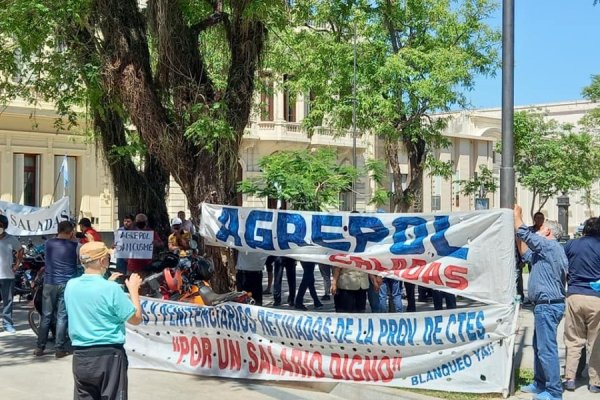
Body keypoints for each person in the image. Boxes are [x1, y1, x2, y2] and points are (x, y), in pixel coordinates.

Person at [65, 241, 142, 400]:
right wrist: (134, 291)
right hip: (109, 355)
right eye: (107, 257)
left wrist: (108, 284)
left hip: (81, 356)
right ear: (102, 261)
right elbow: (135, 319)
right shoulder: (110, 289)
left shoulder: (71, 285)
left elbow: (91, 298)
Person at [515, 205, 567, 400]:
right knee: (539, 347)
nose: (537, 228)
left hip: (548, 305)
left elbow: (524, 233)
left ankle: (554, 391)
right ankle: (539, 383)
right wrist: (518, 235)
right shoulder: (544, 252)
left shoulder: (550, 246)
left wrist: (517, 216)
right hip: (544, 305)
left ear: (548, 232)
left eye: (541, 227)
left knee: (547, 349)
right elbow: (525, 254)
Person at [562, 217, 600, 393]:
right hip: (596, 298)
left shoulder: (571, 244)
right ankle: (594, 382)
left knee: (573, 339)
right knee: (595, 341)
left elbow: (562, 266)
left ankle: (570, 378)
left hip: (574, 295)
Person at [34, 221, 79, 358]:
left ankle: (39, 347)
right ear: (71, 232)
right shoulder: (76, 245)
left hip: (49, 283)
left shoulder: (48, 244)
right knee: (62, 316)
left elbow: (38, 251)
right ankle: (59, 348)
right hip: (66, 284)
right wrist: (75, 239)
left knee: (46, 315)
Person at [0, 214, 24, 333]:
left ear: (4, 227)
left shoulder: (11, 239)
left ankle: (7, 323)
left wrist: (16, 265)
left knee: (8, 301)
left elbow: (20, 250)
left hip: (7, 275)